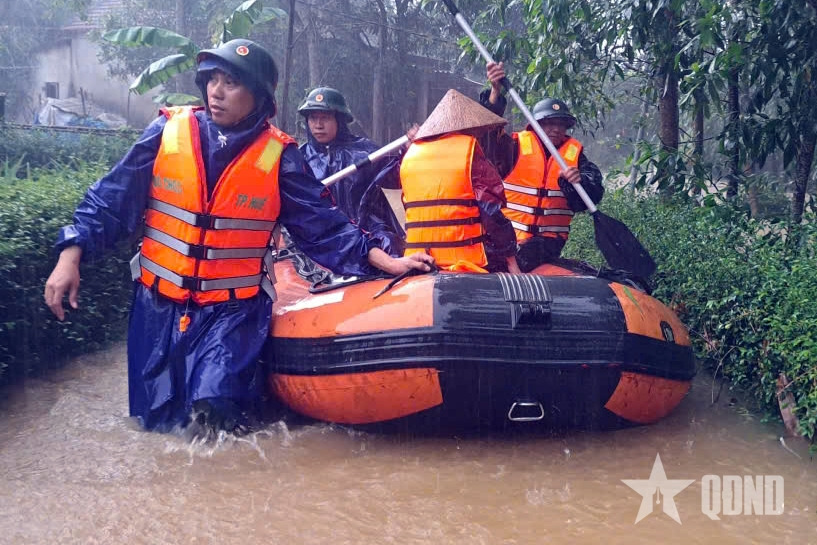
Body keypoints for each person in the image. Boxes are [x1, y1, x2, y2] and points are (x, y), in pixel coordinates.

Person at [43, 39, 433, 435]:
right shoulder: (166, 131)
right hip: (157, 308)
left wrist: (386, 261)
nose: (216, 90)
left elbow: (325, 228)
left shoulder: (280, 157)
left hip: (231, 316)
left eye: (231, 82)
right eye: (212, 79)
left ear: (258, 95)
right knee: (155, 425)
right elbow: (111, 198)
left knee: (214, 417)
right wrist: (70, 253)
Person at [480, 61, 604, 272]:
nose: (555, 129)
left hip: (549, 246)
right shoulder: (514, 146)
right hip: (510, 243)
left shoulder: (575, 156)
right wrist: (495, 91)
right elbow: (486, 135)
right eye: (548, 123)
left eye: (560, 124)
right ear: (535, 125)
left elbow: (592, 194)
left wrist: (579, 182)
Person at [399, 89, 520, 274]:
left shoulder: (411, 154)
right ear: (468, 127)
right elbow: (492, 214)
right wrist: (512, 262)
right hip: (463, 262)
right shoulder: (469, 153)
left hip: (416, 261)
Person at [297, 87, 408, 257]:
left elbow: (396, 178)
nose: (318, 125)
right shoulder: (299, 158)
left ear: (339, 120)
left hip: (367, 228)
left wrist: (407, 153)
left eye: (325, 118)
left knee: (390, 245)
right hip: (322, 234)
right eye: (313, 118)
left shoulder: (366, 152)